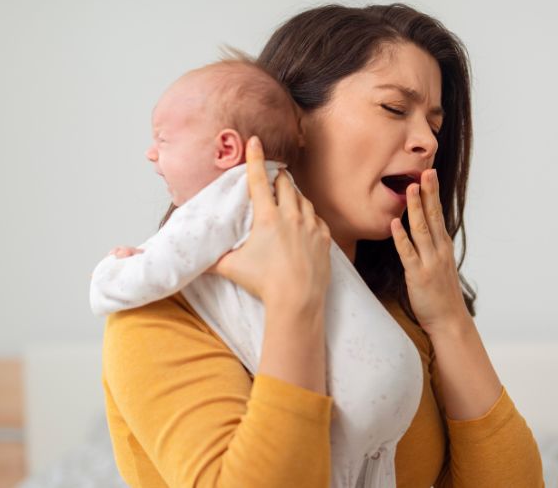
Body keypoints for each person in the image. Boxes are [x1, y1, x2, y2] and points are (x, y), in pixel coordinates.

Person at [102, 3, 545, 487]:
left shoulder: (402, 314)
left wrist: (448, 319)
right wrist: (295, 303)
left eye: (434, 126)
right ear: (296, 120)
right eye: (394, 108)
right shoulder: (164, 314)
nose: (427, 142)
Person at [90, 57, 424, 487]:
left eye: (163, 139)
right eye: (395, 108)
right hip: (389, 380)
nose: (428, 141)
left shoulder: (227, 197)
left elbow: (163, 265)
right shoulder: (274, 198)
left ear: (226, 149)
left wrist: (115, 270)